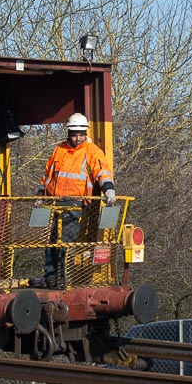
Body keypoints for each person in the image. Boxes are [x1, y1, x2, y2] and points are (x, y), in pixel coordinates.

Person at [38, 113, 116, 286]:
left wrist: (108, 189)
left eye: (81, 134)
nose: (78, 138)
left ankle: (63, 279)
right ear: (69, 133)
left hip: (75, 203)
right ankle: (51, 277)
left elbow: (102, 172)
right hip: (55, 202)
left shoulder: (92, 151)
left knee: (65, 241)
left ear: (85, 133)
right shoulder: (59, 150)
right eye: (75, 134)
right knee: (51, 241)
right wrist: (40, 194)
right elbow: (48, 175)